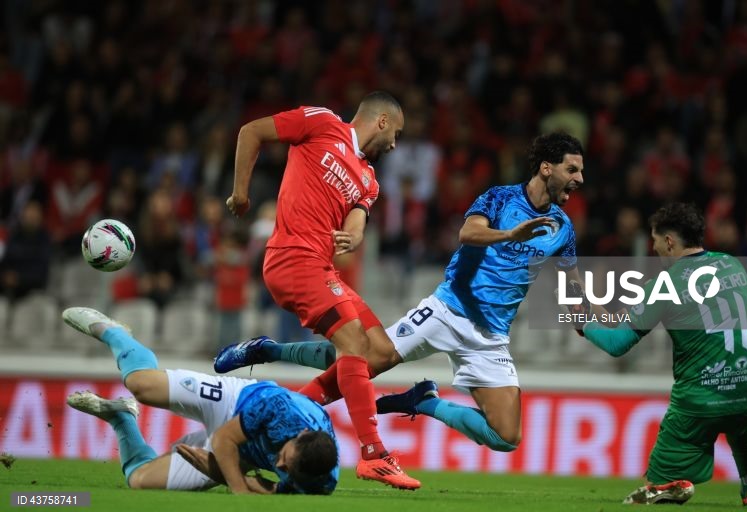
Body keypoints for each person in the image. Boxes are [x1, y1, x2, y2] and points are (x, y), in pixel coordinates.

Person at [217, 132, 592, 456]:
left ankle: (424, 401)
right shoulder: (500, 199)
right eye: (572, 169)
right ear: (546, 168)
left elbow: (571, 280)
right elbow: (469, 233)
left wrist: (583, 313)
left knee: (507, 436)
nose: (579, 178)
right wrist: (511, 234)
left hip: (490, 337)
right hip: (447, 310)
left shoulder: (562, 227)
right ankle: (270, 352)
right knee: (362, 358)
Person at [225, 91, 419, 489]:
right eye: (395, 133)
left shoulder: (369, 180)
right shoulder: (322, 122)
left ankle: (290, 411)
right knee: (352, 342)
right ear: (381, 122)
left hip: (321, 267)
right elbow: (251, 132)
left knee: (380, 352)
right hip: (291, 258)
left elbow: (358, 220)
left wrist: (352, 237)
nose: (394, 144)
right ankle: (373, 454)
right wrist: (241, 193)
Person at [579, 203, 747, 507]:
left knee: (650, 492)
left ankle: (668, 484)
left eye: (654, 242)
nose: (653, 250)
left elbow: (617, 344)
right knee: (737, 409)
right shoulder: (733, 265)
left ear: (669, 241)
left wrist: (582, 325)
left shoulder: (664, 284)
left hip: (699, 404)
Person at [62, 307, 339, 495]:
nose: (279, 466)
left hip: (241, 456)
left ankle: (122, 418)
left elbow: (269, 487)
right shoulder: (279, 410)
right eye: (285, 459)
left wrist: (220, 472)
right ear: (301, 434)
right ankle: (115, 333)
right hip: (234, 403)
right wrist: (239, 491)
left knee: (140, 480)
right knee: (142, 385)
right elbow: (224, 440)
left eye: (287, 469)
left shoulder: (318, 477)